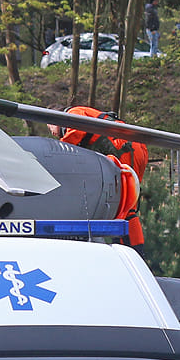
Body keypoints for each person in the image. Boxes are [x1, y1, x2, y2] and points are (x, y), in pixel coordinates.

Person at [50, 105, 150, 256]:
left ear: (54, 118)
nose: (52, 132)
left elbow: (78, 129)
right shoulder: (84, 114)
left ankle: (131, 252)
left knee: (125, 205)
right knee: (129, 202)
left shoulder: (72, 113)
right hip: (135, 148)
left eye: (50, 127)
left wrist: (57, 149)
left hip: (124, 148)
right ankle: (134, 250)